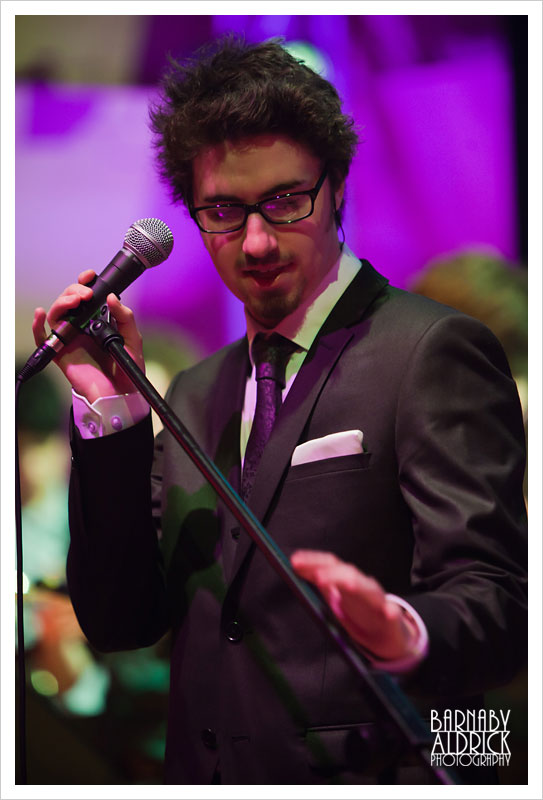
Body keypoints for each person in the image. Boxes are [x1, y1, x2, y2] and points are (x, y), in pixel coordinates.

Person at [31, 37, 527, 785]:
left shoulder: (430, 351)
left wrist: (406, 632)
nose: (257, 241)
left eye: (286, 200)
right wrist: (113, 415)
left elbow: (497, 602)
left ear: (337, 187)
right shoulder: (194, 391)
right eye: (224, 212)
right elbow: (120, 620)